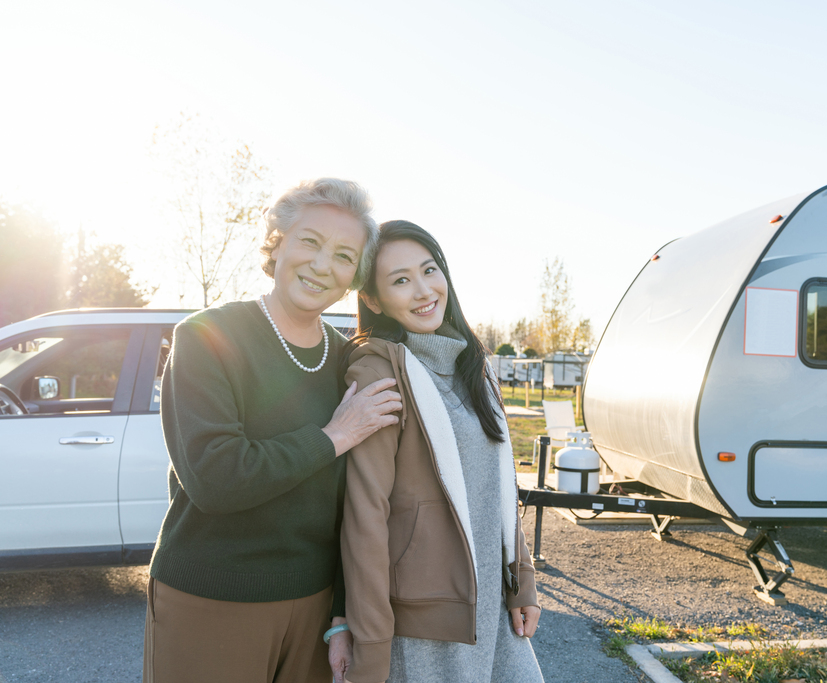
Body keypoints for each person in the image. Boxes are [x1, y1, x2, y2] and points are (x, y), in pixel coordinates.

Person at [144, 178, 402, 683]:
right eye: (310, 241)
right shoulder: (206, 337)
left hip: (314, 610)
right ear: (277, 241)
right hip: (212, 597)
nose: (323, 265)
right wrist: (332, 437)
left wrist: (342, 614)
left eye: (344, 255)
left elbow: (362, 503)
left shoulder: (351, 361)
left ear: (354, 276)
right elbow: (216, 477)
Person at [340, 220, 544, 683]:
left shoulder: (475, 367)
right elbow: (365, 515)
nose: (422, 290)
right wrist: (370, 644)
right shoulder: (378, 372)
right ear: (373, 299)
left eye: (429, 270)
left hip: (491, 603)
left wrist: (523, 581)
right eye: (400, 280)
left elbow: (499, 487)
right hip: (425, 620)